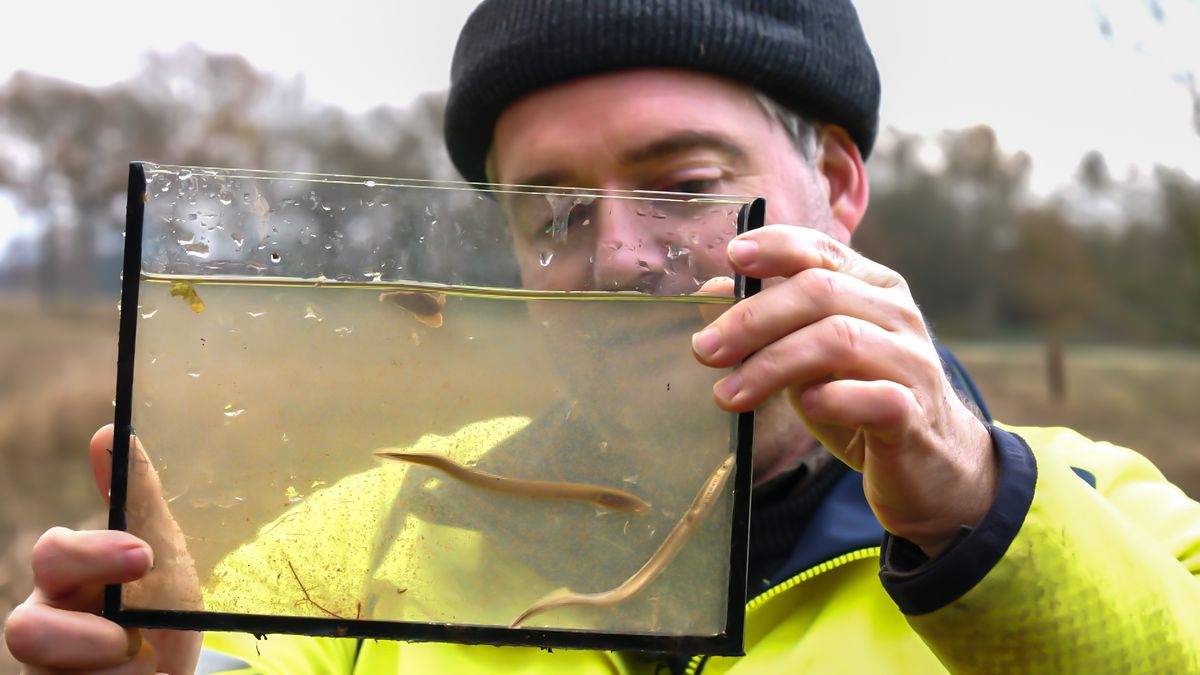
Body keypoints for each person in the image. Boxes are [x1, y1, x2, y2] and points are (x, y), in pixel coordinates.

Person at [7, 1, 1200, 672]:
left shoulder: (1110, 513)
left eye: (683, 183)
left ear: (838, 183)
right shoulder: (363, 549)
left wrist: (979, 514)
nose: (621, 257)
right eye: (558, 213)